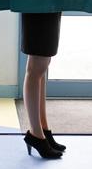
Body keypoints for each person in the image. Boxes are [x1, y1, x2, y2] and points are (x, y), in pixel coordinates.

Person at [21, 12, 66, 159]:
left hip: (47, 0)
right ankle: (36, 133)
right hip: (38, 1)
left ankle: (42, 129)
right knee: (37, 66)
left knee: (42, 64)